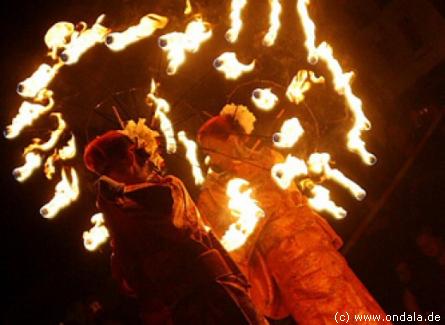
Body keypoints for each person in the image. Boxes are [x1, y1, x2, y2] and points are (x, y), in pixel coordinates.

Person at [197, 105, 390, 324]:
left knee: (348, 298)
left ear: (231, 140)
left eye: (212, 150)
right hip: (284, 258)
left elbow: (293, 195)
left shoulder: (271, 157)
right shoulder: (218, 189)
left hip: (312, 242)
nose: (210, 159)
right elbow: (225, 232)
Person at [83, 119, 266, 324]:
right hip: (207, 298)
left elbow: (129, 279)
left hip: (199, 300)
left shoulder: (125, 209)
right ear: (131, 156)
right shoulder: (162, 191)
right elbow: (130, 278)